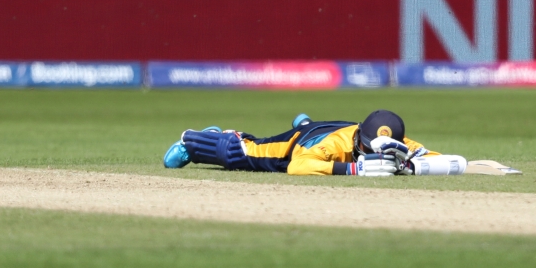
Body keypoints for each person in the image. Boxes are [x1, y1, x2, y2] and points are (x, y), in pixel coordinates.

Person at [162, 109, 439, 177]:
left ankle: (305, 122)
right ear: (359, 139)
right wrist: (355, 169)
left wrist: (411, 163)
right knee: (239, 153)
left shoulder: (396, 141)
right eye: (368, 148)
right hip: (294, 148)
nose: (374, 153)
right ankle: (202, 139)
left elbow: (431, 156)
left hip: (315, 130)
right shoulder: (335, 145)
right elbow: (298, 166)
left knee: (308, 126)